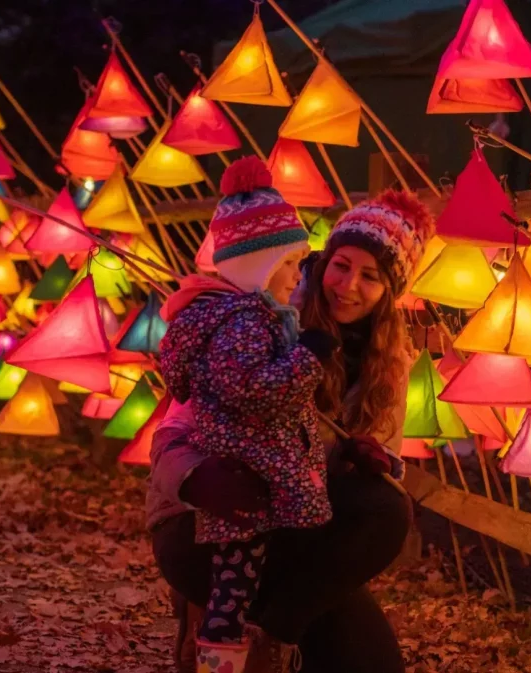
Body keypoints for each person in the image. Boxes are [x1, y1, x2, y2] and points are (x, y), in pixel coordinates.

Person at [148, 188, 436, 673]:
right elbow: (170, 433)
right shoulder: (266, 317)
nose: (347, 286)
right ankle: (218, 617)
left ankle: (272, 641)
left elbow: (381, 472)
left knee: (387, 513)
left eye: (370, 277)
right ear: (322, 261)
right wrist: (199, 478)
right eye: (341, 265)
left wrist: (371, 460)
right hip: (211, 522)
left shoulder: (388, 366)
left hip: (296, 530)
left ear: (390, 290)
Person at [156, 156, 342, 673]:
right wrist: (308, 355)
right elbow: (253, 392)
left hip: (258, 472)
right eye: (290, 265)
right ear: (262, 266)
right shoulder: (243, 323)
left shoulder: (242, 318)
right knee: (232, 594)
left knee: (237, 589)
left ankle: (228, 653)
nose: (297, 277)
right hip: (251, 476)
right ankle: (222, 661)